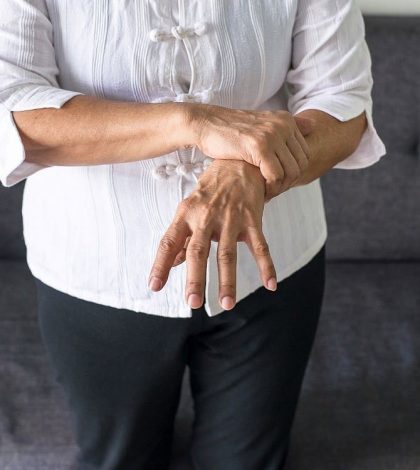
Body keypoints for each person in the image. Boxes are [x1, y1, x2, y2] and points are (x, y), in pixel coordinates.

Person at [0, 1, 386, 469]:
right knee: (119, 460)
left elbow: (343, 103)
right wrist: (191, 122)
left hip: (272, 264)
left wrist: (250, 169)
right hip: (99, 267)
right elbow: (12, 111)